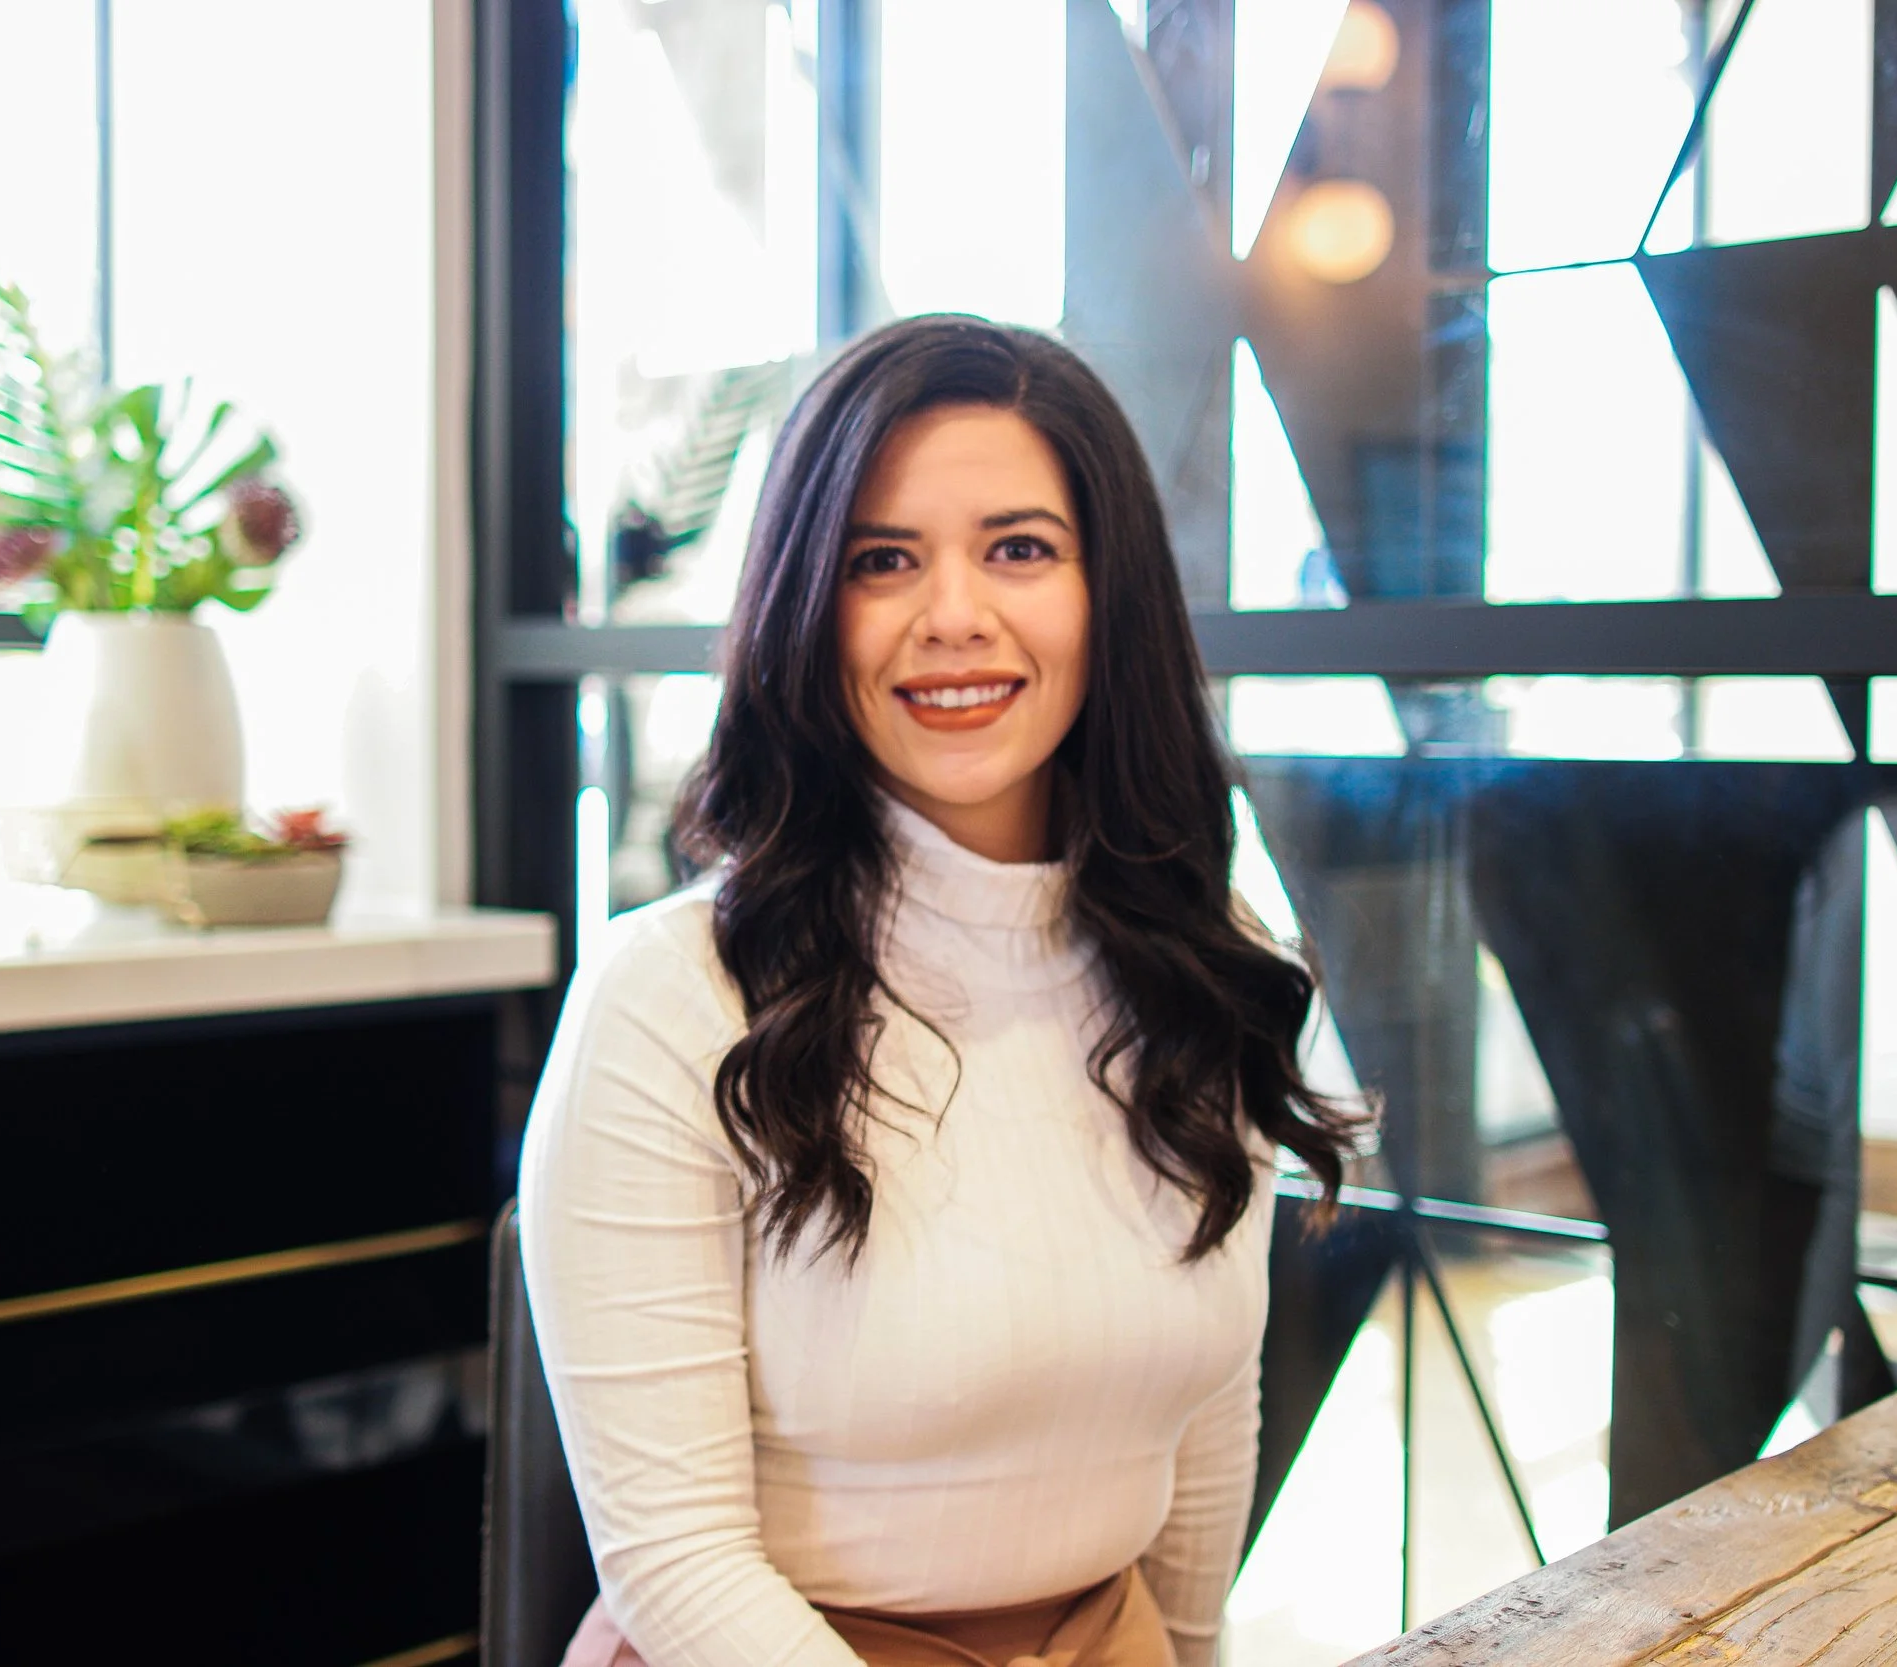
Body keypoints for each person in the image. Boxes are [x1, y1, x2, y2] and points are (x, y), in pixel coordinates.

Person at [518, 315, 1362, 1667]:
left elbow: (1201, 1425)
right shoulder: (673, 995)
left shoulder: (1202, 958)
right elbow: (673, 1559)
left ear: (1110, 594)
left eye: (1019, 548)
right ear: (809, 606)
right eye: (882, 560)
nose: (953, 615)